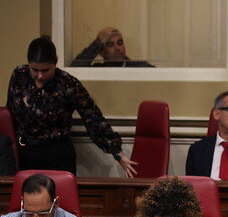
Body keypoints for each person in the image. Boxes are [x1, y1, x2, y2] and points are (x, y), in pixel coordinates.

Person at [6, 36, 136, 176]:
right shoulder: (20, 76)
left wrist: (118, 153)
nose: (40, 76)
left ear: (55, 63)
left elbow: (93, 118)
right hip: (25, 152)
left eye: (46, 70)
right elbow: (9, 114)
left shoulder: (67, 83)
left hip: (56, 155)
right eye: (35, 70)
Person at [70, 27, 155, 67]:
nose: (117, 48)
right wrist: (98, 42)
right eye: (110, 45)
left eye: (120, 43)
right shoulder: (98, 70)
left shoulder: (137, 67)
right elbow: (75, 68)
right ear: (101, 52)